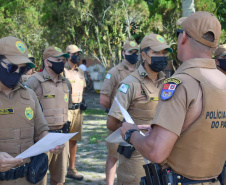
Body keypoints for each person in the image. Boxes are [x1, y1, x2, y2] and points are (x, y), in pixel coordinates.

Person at [120, 11, 226, 185]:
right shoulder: (222, 80)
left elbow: (156, 151)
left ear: (183, 37)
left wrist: (131, 133)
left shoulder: (180, 84)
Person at [107, 35, 172, 185]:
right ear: (143, 55)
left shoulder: (168, 83)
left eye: (164, 53)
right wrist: (134, 130)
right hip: (136, 156)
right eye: (156, 53)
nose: (161, 57)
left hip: (162, 152)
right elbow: (111, 123)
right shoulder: (130, 84)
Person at [0, 36, 64, 185]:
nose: (17, 72)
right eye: (12, 67)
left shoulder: (29, 95)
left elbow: (41, 131)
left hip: (28, 179)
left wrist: (51, 143)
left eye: (22, 68)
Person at [25, 46, 72, 185]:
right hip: (42, 140)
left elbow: (67, 107)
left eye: (63, 60)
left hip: (62, 138)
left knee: (59, 180)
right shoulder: (34, 81)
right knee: (40, 180)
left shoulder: (66, 82)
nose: (61, 62)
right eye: (58, 60)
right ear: (47, 62)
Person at [100, 40, 139, 185]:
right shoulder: (114, 72)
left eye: (136, 52)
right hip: (118, 123)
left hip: (136, 122)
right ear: (123, 53)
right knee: (113, 156)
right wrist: (115, 114)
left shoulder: (140, 70)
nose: (134, 55)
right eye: (130, 52)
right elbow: (104, 99)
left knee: (133, 157)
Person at [64, 44, 86, 180]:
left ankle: (71, 169)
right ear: (68, 55)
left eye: (78, 54)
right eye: (74, 54)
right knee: (62, 141)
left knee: (73, 141)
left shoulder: (80, 72)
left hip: (78, 111)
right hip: (66, 110)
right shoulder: (62, 71)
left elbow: (82, 88)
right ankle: (60, 170)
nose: (77, 56)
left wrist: (84, 101)